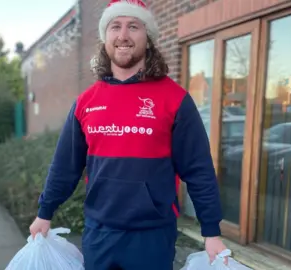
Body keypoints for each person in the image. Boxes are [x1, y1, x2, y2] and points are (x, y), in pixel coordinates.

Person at [29, 0, 228, 269]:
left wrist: (211, 230)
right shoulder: (86, 102)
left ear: (148, 38)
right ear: (105, 38)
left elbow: (198, 169)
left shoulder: (175, 99)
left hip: (152, 236)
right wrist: (45, 212)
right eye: (115, 27)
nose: (123, 35)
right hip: (99, 233)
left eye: (133, 26)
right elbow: (65, 165)